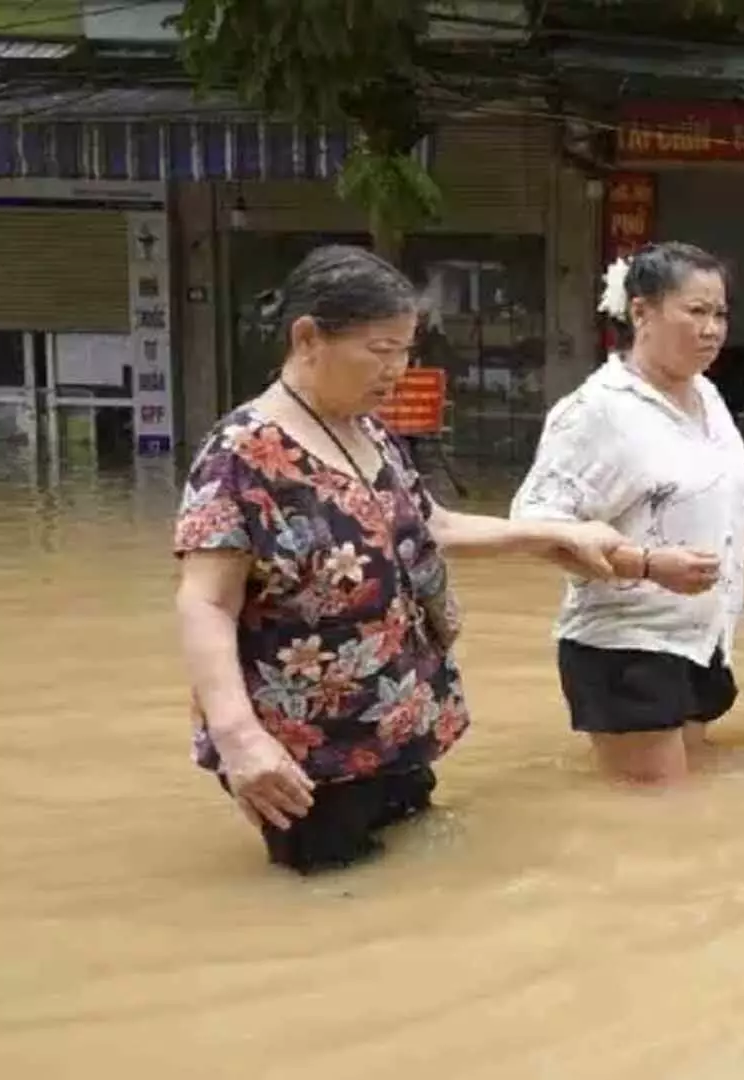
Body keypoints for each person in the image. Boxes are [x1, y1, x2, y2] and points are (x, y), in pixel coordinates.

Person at [171, 245, 686, 874]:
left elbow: (430, 525)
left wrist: (555, 535)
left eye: (405, 350)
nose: (397, 370)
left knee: (415, 877)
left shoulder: (368, 432)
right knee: (333, 903)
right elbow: (205, 600)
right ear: (308, 338)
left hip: (398, 724)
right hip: (307, 757)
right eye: (379, 351)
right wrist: (239, 738)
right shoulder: (240, 454)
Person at [509, 241, 744, 786]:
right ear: (642, 312)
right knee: (657, 822)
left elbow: (741, 505)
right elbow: (533, 528)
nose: (713, 329)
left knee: (685, 810)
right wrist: (647, 565)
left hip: (701, 642)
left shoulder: (708, 398)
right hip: (626, 648)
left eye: (721, 313)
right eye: (697, 311)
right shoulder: (596, 413)